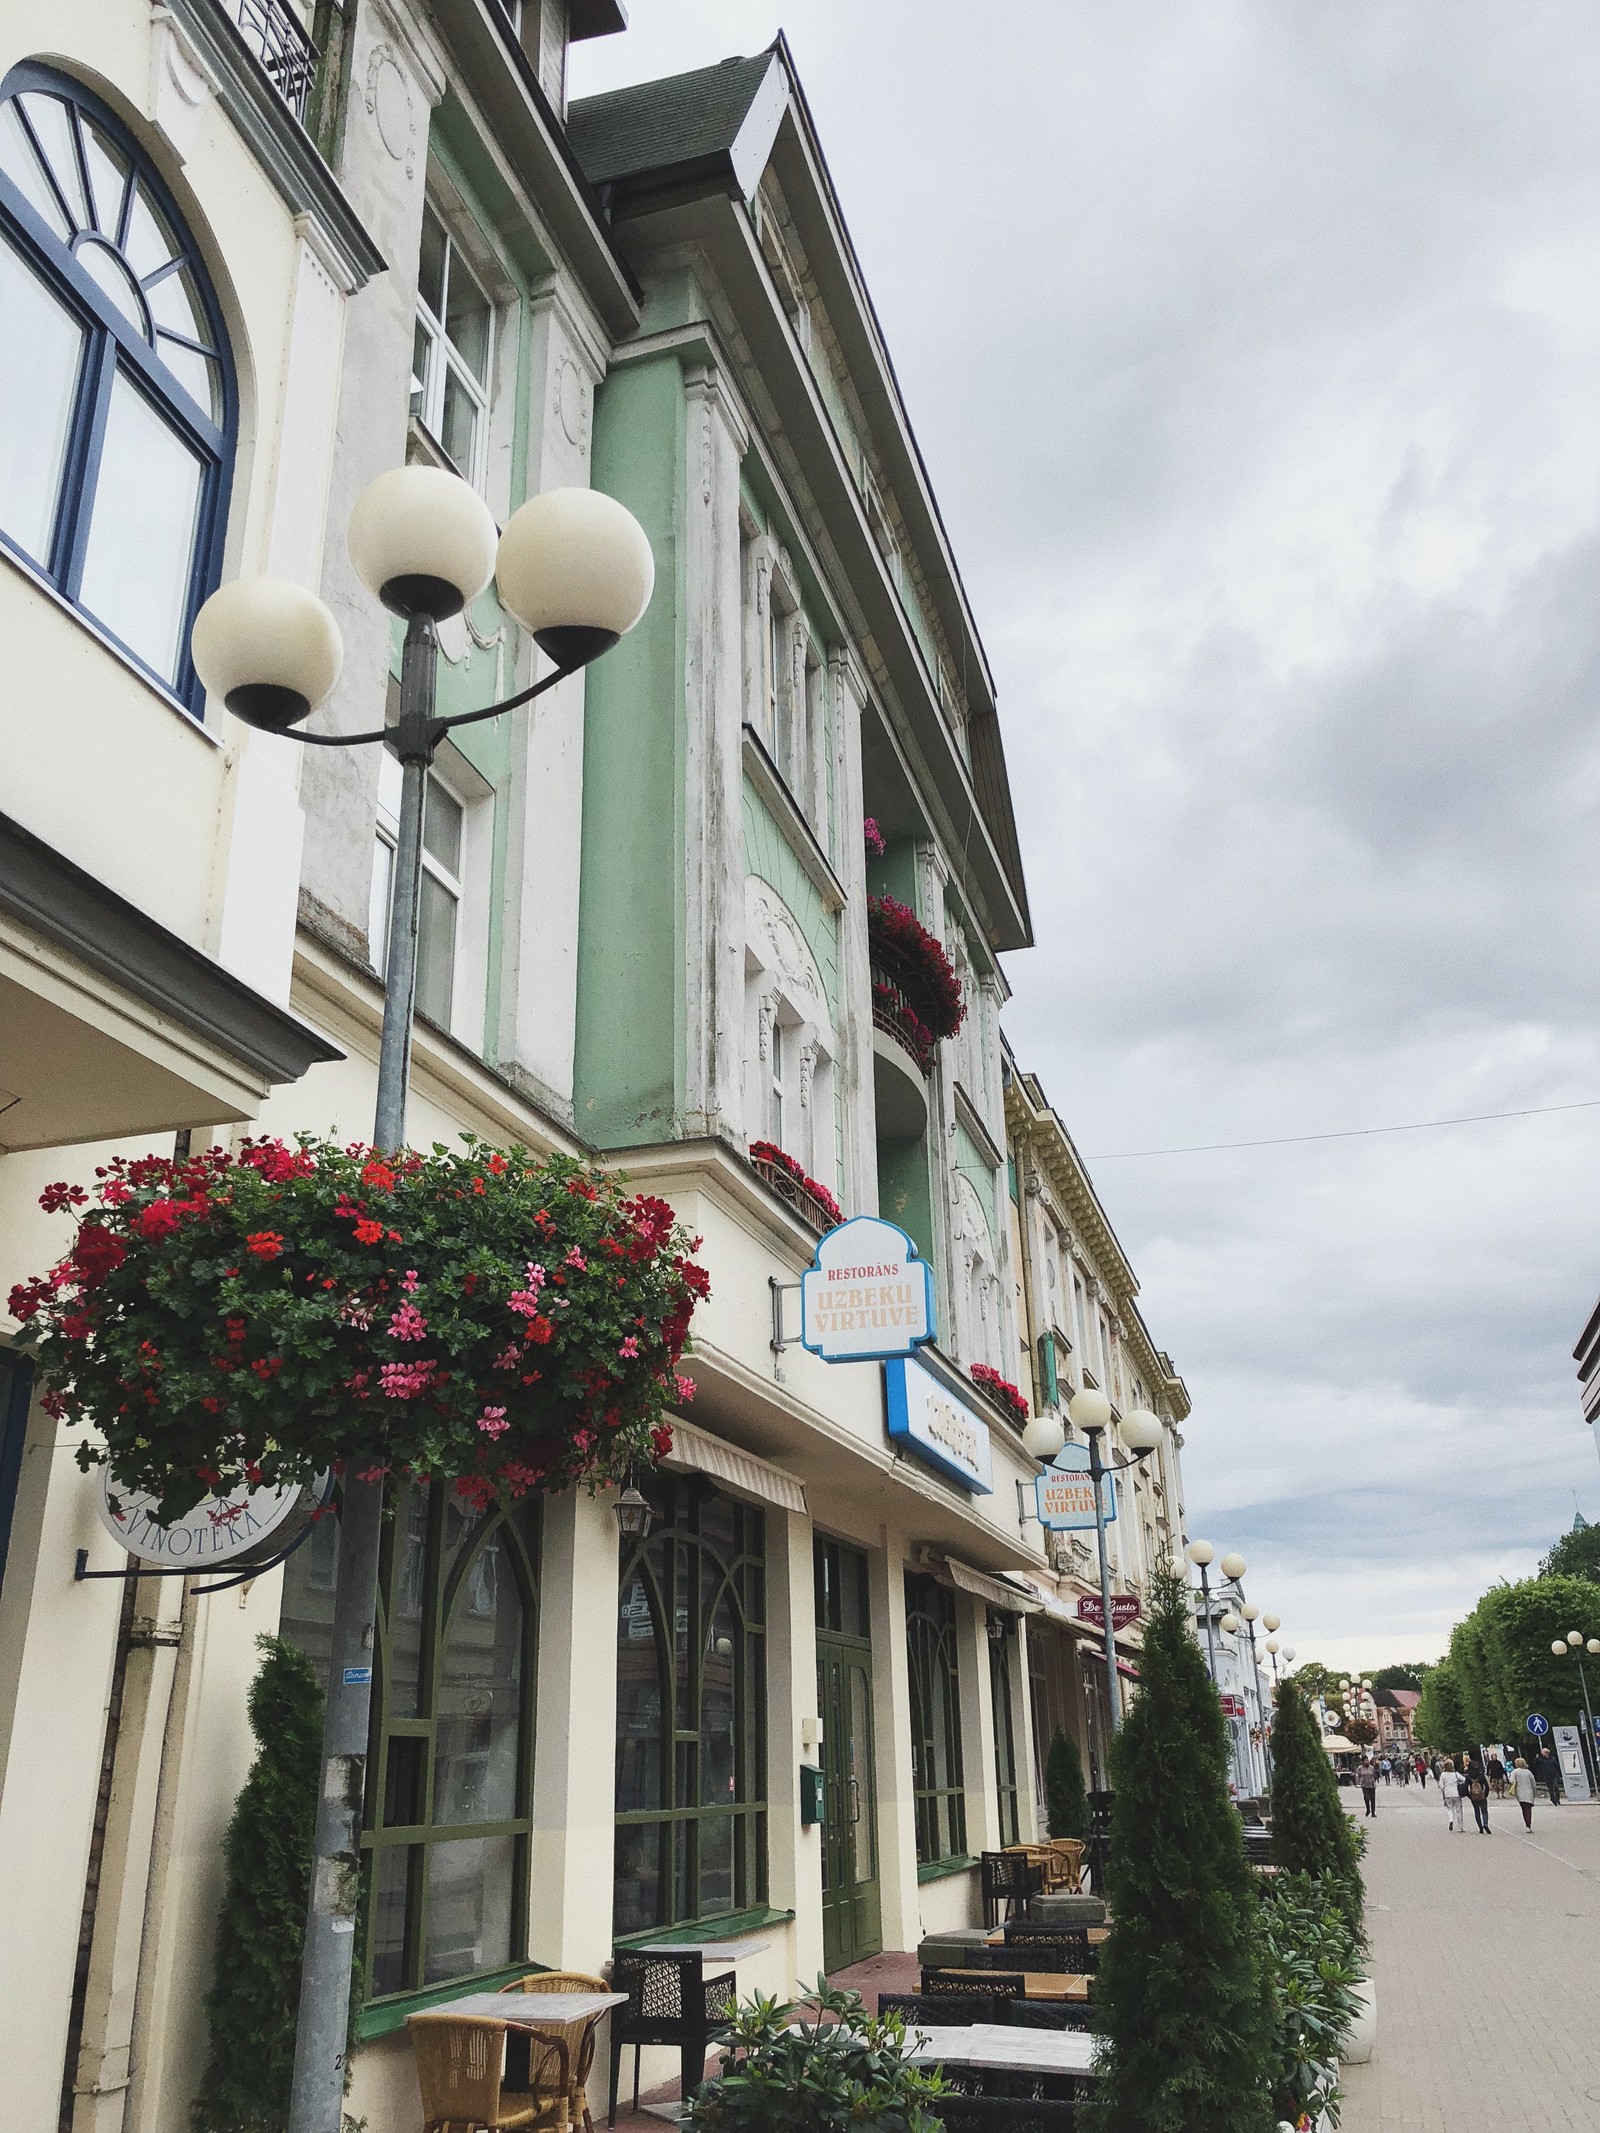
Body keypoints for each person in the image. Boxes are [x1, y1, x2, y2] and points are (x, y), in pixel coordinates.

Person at [1464, 1760, 1491, 1834]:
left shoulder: (1468, 1776)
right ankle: (1485, 1823)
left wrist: (1469, 1795)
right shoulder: (1481, 1775)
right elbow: (1486, 1786)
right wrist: (1486, 1794)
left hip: (1473, 1796)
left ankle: (1480, 1827)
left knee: (1477, 1811)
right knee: (1484, 1811)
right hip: (1482, 1795)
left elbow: (1465, 1787)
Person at [1439, 1756, 1464, 1832]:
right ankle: (1460, 1827)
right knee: (1459, 1810)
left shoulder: (1443, 1775)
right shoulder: (1456, 1774)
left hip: (1447, 1794)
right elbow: (1464, 1779)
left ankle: (1451, 1820)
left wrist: (1444, 1789)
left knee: (1450, 1809)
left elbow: (1441, 1785)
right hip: (1456, 1793)